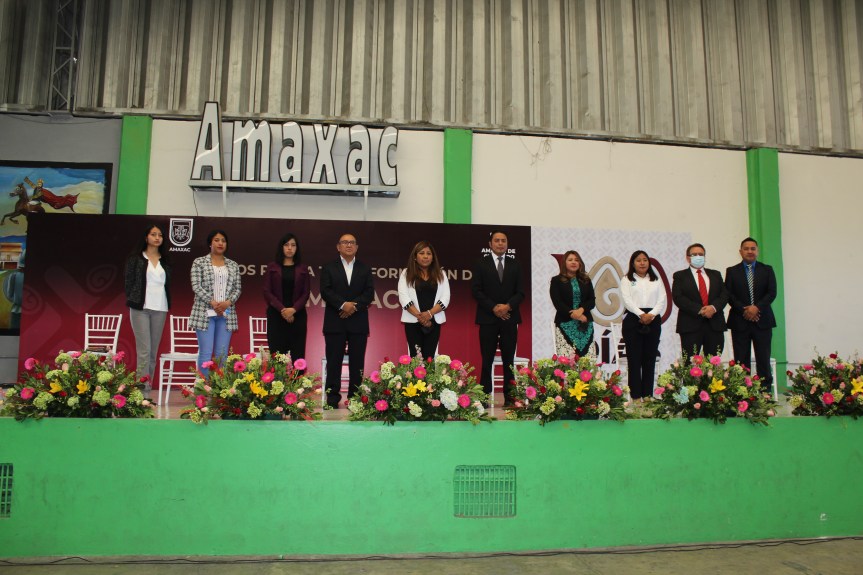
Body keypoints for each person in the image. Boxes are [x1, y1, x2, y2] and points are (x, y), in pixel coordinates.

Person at [320, 233, 374, 408]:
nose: (348, 245)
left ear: (357, 247)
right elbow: (326, 291)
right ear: (338, 247)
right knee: (333, 361)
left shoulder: (365, 268)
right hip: (335, 322)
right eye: (345, 242)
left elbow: (369, 294)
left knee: (357, 362)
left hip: (358, 322)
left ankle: (355, 398)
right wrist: (343, 305)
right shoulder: (329, 267)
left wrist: (353, 307)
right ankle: (332, 398)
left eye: (352, 243)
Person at [471, 230, 525, 403]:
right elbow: (476, 291)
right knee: (487, 359)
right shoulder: (480, 264)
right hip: (488, 318)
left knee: (508, 360)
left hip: (510, 318)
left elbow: (521, 292)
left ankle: (510, 397)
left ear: (507, 244)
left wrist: (507, 306)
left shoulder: (515, 264)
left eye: (503, 241)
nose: (500, 243)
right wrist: (494, 307)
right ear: (490, 244)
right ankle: (484, 397)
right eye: (497, 240)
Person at [124, 224, 171, 398]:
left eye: (160, 235)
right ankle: (139, 394)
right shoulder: (135, 258)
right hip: (140, 309)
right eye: (153, 234)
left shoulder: (165, 260)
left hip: (160, 308)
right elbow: (128, 283)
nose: (157, 237)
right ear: (146, 237)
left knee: (152, 352)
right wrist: (134, 299)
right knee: (143, 351)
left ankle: (146, 392)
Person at [724, 237, 777, 389]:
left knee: (763, 358)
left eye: (753, 248)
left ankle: (764, 391)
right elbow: (729, 295)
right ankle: (743, 392)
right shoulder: (732, 271)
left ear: (757, 251)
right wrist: (744, 310)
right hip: (740, 321)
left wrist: (756, 308)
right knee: (741, 361)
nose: (749, 251)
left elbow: (771, 293)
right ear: (740, 251)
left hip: (763, 320)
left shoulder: (767, 270)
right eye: (746, 248)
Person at [190, 229, 242, 377]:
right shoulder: (199, 262)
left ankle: (220, 392)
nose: (220, 243)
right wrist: (212, 302)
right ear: (210, 243)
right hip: (204, 313)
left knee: (222, 355)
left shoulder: (233, 265)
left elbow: (237, 289)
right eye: (217, 240)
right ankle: (204, 390)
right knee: (206, 354)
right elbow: (196, 286)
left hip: (226, 315)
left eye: (223, 241)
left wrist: (227, 303)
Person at [619, 250, 667, 399]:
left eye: (645, 260)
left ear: (649, 262)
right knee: (634, 360)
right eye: (638, 260)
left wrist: (651, 314)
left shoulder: (656, 279)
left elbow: (662, 299)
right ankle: (635, 397)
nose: (642, 263)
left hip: (653, 320)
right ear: (633, 263)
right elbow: (627, 300)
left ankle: (647, 396)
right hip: (634, 319)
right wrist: (641, 314)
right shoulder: (626, 279)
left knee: (649, 359)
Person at [671, 243, 728, 358]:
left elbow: (724, 294)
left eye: (701, 254)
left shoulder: (715, 274)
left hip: (715, 325)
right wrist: (700, 310)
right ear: (688, 258)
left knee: (714, 365)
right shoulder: (680, 276)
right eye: (694, 254)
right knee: (691, 366)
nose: (698, 257)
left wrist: (713, 308)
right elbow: (678, 297)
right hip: (690, 325)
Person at [397, 240, 451, 359]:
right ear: (415, 257)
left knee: (430, 358)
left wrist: (429, 314)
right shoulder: (406, 273)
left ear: (433, 257)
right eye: (422, 253)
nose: (425, 256)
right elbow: (404, 297)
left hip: (434, 321)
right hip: (413, 321)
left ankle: (429, 378)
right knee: (415, 358)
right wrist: (420, 316)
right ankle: (416, 379)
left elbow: (445, 298)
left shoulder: (441, 273)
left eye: (428, 253)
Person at [262, 233, 310, 363]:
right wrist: (283, 310)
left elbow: (305, 293)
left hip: (298, 316)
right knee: (277, 357)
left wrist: (293, 310)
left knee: (298, 356)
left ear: (297, 248)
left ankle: (298, 383)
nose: (290, 248)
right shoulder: (272, 267)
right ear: (281, 247)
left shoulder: (303, 268)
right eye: (286, 245)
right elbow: (267, 291)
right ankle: (277, 383)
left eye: (293, 245)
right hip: (276, 316)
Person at [550, 250, 596, 357]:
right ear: (564, 263)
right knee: (566, 362)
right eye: (570, 260)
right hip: (564, 323)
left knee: (587, 362)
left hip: (585, 324)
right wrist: (573, 314)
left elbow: (592, 301)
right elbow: (557, 302)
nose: (574, 262)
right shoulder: (556, 280)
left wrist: (581, 311)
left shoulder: (586, 280)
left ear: (580, 263)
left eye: (576, 260)